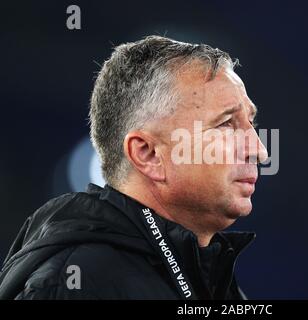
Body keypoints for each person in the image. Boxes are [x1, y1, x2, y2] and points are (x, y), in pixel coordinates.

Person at [0, 35, 268, 299]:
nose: (260, 151)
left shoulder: (215, 282)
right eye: (225, 124)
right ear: (148, 154)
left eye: (250, 124)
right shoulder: (74, 284)